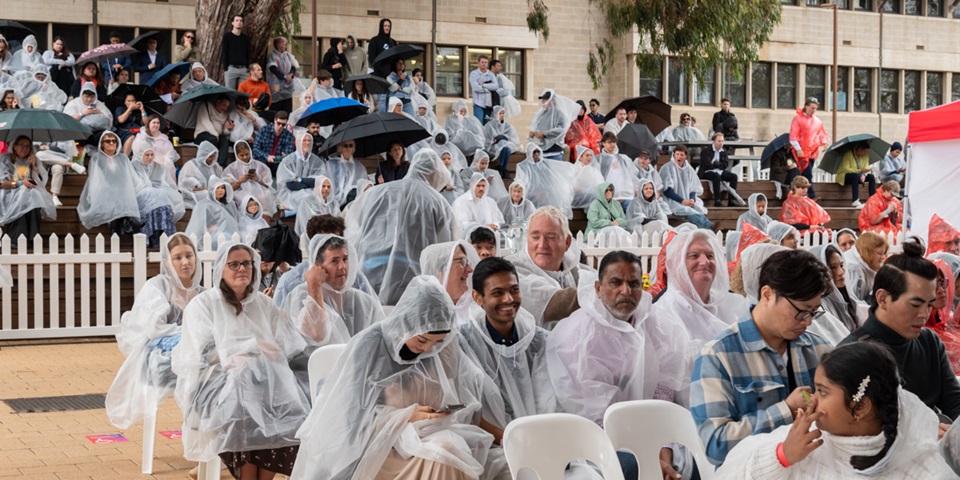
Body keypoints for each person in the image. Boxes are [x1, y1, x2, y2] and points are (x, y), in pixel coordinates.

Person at [291, 275, 504, 479]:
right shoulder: (369, 345)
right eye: (422, 341)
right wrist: (405, 416)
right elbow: (347, 420)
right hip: (378, 448)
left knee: (452, 450)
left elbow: (466, 400)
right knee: (444, 454)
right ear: (407, 324)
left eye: (437, 342)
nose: (428, 349)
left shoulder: (443, 348)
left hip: (433, 437)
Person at [717, 342, 954, 478]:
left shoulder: (923, 469)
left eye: (822, 391)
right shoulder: (803, 441)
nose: (811, 400)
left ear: (860, 406)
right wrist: (782, 456)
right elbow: (727, 474)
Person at [172, 242, 307, 480]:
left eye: (246, 263)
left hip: (266, 385)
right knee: (242, 395)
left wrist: (254, 354)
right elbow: (202, 352)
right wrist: (252, 348)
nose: (241, 269)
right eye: (233, 264)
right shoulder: (204, 305)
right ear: (221, 270)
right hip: (214, 385)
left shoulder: (264, 304)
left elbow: (284, 346)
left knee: (289, 404)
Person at [691, 249, 833, 466]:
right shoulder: (717, 356)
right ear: (767, 294)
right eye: (802, 311)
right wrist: (785, 410)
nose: (808, 322)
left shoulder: (820, 349)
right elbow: (715, 445)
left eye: (814, 312)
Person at [840, 238, 960, 424]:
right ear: (883, 299)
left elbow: (954, 402)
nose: (924, 314)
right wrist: (919, 432)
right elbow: (851, 426)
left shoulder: (929, 341)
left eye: (929, 305)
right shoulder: (851, 354)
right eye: (915, 304)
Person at [106, 233, 202, 431]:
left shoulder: (202, 293)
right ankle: (198, 435)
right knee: (199, 375)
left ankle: (208, 436)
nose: (185, 262)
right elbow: (153, 328)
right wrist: (187, 334)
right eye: (178, 257)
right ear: (167, 263)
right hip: (159, 360)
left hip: (193, 357)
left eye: (189, 255)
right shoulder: (157, 287)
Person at [460, 256, 557, 441]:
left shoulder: (539, 342)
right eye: (497, 293)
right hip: (492, 444)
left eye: (514, 290)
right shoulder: (465, 343)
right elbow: (467, 407)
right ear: (477, 298)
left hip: (542, 438)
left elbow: (549, 401)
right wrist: (509, 440)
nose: (509, 299)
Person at [346, 149, 456, 305]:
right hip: (411, 280)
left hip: (370, 272)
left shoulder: (377, 193)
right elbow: (445, 248)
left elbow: (354, 225)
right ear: (433, 173)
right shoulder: (437, 202)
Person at [656, 231, 748, 398]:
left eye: (710, 255)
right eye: (694, 255)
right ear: (677, 264)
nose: (704, 262)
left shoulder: (734, 306)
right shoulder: (662, 315)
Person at [282, 234, 384, 354]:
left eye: (345, 259)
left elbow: (382, 341)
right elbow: (316, 335)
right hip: (312, 371)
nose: (342, 267)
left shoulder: (363, 301)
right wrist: (315, 285)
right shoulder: (300, 294)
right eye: (335, 261)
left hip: (357, 369)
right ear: (318, 267)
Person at [505, 206, 592, 325]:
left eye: (551, 237)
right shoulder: (511, 271)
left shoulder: (572, 267)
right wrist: (604, 292)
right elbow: (552, 303)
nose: (542, 244)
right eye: (535, 237)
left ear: (567, 242)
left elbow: (597, 279)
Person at [77, 132, 141, 234]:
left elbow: (129, 177)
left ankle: (117, 226)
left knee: (121, 192)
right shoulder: (96, 158)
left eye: (114, 141)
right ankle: (129, 220)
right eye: (107, 141)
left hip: (121, 189)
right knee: (113, 192)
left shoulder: (123, 158)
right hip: (102, 188)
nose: (111, 143)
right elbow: (96, 178)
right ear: (102, 144)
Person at [0, 136, 57, 240]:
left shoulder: (31, 160)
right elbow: (1, 183)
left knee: (34, 195)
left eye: (28, 146)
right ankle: (17, 238)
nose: (25, 148)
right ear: (15, 147)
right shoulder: (4, 158)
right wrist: (21, 183)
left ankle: (33, 237)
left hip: (28, 192)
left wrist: (34, 166)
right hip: (8, 192)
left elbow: (40, 182)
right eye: (21, 145)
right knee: (24, 197)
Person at [130, 143, 184, 247]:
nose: (150, 158)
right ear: (140, 154)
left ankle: (162, 236)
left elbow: (170, 185)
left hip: (159, 196)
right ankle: (152, 237)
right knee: (158, 196)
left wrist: (158, 189)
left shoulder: (159, 168)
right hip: (140, 196)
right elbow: (135, 185)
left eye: (152, 155)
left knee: (161, 196)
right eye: (147, 155)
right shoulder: (134, 166)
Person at [809, 244, 864, 334]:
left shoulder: (849, 301)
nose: (840, 272)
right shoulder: (819, 307)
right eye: (832, 268)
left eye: (841, 265)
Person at [515, 143, 575, 219]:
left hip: (545, 192)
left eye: (538, 152)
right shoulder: (523, 166)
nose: (536, 154)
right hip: (530, 193)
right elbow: (522, 183)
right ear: (529, 153)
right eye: (534, 152)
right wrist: (534, 193)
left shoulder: (544, 164)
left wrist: (546, 192)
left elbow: (549, 180)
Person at [659, 145, 713, 230]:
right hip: (673, 201)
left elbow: (693, 187)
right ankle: (709, 228)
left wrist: (692, 199)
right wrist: (682, 201)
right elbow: (667, 190)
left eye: (681, 155)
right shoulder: (667, 168)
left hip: (687, 200)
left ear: (685, 156)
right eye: (677, 154)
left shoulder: (689, 169)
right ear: (673, 155)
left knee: (697, 209)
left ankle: (706, 229)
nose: (679, 157)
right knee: (689, 212)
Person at [222, 140, 276, 218]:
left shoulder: (260, 166)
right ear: (237, 155)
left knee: (266, 196)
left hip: (259, 189)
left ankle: (264, 223)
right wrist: (239, 181)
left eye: (247, 154)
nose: (245, 157)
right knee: (246, 198)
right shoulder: (230, 168)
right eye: (242, 155)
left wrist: (258, 180)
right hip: (240, 192)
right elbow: (228, 189)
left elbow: (268, 187)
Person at [788, 97, 830, 199]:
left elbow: (821, 133)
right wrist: (798, 149)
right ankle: (811, 195)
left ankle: (804, 195)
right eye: (812, 108)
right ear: (806, 106)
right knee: (806, 174)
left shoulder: (817, 121)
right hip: (801, 152)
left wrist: (824, 143)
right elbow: (794, 135)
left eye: (815, 108)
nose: (813, 110)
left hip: (811, 152)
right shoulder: (798, 119)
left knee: (806, 174)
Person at [184, 180, 240, 249]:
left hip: (230, 237)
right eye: (217, 188)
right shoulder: (203, 205)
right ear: (212, 190)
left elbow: (235, 221)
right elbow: (198, 225)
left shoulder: (230, 205)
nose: (220, 190)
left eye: (222, 188)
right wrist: (211, 228)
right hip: (211, 238)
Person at [276, 132, 324, 211]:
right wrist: (308, 183)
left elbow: (319, 180)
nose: (307, 143)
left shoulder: (316, 161)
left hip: (311, 190)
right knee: (306, 197)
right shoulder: (287, 161)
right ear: (297, 142)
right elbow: (289, 183)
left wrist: (300, 179)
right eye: (304, 140)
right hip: (290, 192)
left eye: (309, 140)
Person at [527, 88, 577, 159]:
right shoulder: (541, 114)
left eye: (545, 99)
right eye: (543, 99)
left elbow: (561, 130)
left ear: (552, 101)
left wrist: (545, 134)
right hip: (542, 151)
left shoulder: (559, 114)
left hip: (555, 152)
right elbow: (536, 127)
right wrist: (532, 134)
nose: (543, 101)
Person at [699, 133, 743, 207]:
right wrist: (719, 164)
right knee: (716, 177)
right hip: (706, 172)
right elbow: (706, 165)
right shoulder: (706, 151)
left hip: (719, 171)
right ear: (714, 141)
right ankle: (717, 200)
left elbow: (725, 165)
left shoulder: (724, 151)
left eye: (722, 141)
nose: (721, 143)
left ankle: (731, 200)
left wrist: (715, 163)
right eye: (719, 141)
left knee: (733, 177)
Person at [844, 231, 889, 303]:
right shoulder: (855, 269)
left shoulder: (864, 267)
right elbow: (854, 303)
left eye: (884, 253)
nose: (883, 257)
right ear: (868, 252)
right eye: (879, 253)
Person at [132, 114, 179, 181]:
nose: (156, 125)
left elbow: (170, 151)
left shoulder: (163, 137)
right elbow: (138, 151)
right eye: (154, 122)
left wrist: (165, 159)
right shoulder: (142, 136)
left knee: (169, 164)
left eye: (158, 123)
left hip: (162, 161)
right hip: (146, 160)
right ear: (149, 124)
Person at [194, 95, 235, 168]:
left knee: (225, 142)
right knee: (212, 139)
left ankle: (220, 165)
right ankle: (209, 163)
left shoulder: (226, 114)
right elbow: (205, 121)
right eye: (224, 105)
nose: (225, 108)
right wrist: (215, 134)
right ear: (218, 102)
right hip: (202, 134)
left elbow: (224, 132)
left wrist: (228, 129)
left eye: (227, 106)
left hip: (218, 136)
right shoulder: (205, 106)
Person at [179, 141, 222, 209]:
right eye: (210, 156)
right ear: (203, 155)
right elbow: (185, 185)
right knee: (207, 194)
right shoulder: (190, 165)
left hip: (214, 192)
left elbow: (221, 181)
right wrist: (203, 189)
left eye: (214, 156)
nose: (212, 159)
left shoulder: (215, 166)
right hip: (196, 194)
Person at [251, 111, 295, 178]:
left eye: (283, 125)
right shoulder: (264, 130)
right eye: (278, 123)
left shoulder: (289, 136)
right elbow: (256, 149)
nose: (280, 126)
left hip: (277, 163)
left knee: (285, 168)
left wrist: (285, 155)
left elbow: (289, 153)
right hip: (262, 160)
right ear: (275, 120)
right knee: (261, 166)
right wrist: (267, 156)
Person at [325, 140, 368, 207]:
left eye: (351, 146)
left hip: (353, 200)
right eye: (345, 146)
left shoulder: (359, 166)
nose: (348, 148)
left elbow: (363, 183)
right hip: (334, 200)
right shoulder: (332, 164)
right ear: (340, 148)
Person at [483, 106, 520, 179]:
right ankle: (504, 168)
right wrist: (496, 140)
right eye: (500, 113)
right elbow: (487, 139)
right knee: (505, 146)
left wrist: (502, 137)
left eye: (503, 113)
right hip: (493, 147)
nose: (502, 115)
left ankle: (502, 167)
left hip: (505, 146)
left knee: (506, 148)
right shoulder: (489, 125)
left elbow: (512, 136)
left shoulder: (507, 125)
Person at [836, 142, 877, 208]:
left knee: (871, 177)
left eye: (866, 151)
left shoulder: (866, 156)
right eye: (864, 151)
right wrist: (859, 171)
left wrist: (863, 175)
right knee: (855, 176)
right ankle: (855, 200)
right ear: (859, 149)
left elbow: (866, 167)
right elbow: (846, 169)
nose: (865, 153)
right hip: (845, 176)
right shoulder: (848, 155)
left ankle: (873, 199)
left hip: (859, 176)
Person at [267, 37, 299, 113]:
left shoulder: (288, 55)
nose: (285, 46)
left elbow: (293, 66)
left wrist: (290, 75)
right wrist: (284, 77)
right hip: (276, 85)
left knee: (287, 109)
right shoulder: (272, 56)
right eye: (283, 44)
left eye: (285, 44)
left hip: (288, 86)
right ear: (278, 45)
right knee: (276, 107)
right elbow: (273, 68)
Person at [222, 15, 251, 89]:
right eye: (237, 20)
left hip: (243, 69)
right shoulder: (227, 36)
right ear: (232, 23)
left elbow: (248, 53)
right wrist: (226, 68)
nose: (239, 22)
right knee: (230, 92)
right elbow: (224, 52)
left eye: (241, 21)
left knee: (242, 93)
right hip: (231, 68)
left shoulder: (245, 38)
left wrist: (247, 67)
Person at [572, 146, 604, 210]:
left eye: (590, 155)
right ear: (580, 157)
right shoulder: (575, 168)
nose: (589, 157)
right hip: (579, 195)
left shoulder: (593, 169)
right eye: (587, 155)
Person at [469, 55, 498, 123]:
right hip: (478, 104)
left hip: (489, 104)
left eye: (486, 62)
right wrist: (489, 89)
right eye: (482, 62)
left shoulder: (491, 74)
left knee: (488, 125)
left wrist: (484, 85)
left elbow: (496, 86)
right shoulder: (474, 74)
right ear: (478, 63)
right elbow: (475, 87)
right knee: (479, 124)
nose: (484, 64)